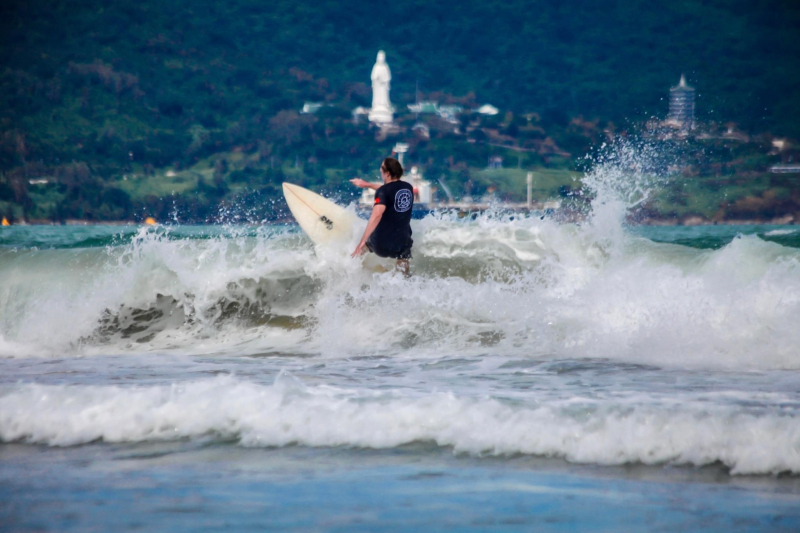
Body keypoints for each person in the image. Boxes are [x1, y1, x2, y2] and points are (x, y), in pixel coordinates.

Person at [350, 157, 413, 275]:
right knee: (405, 252)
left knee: (363, 248)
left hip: (381, 245)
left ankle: (353, 272)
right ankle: (405, 283)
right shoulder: (408, 188)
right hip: (401, 244)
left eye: (381, 170)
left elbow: (377, 215)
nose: (380, 172)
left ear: (387, 173)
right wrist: (367, 185)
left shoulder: (383, 192)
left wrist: (362, 241)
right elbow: (390, 191)